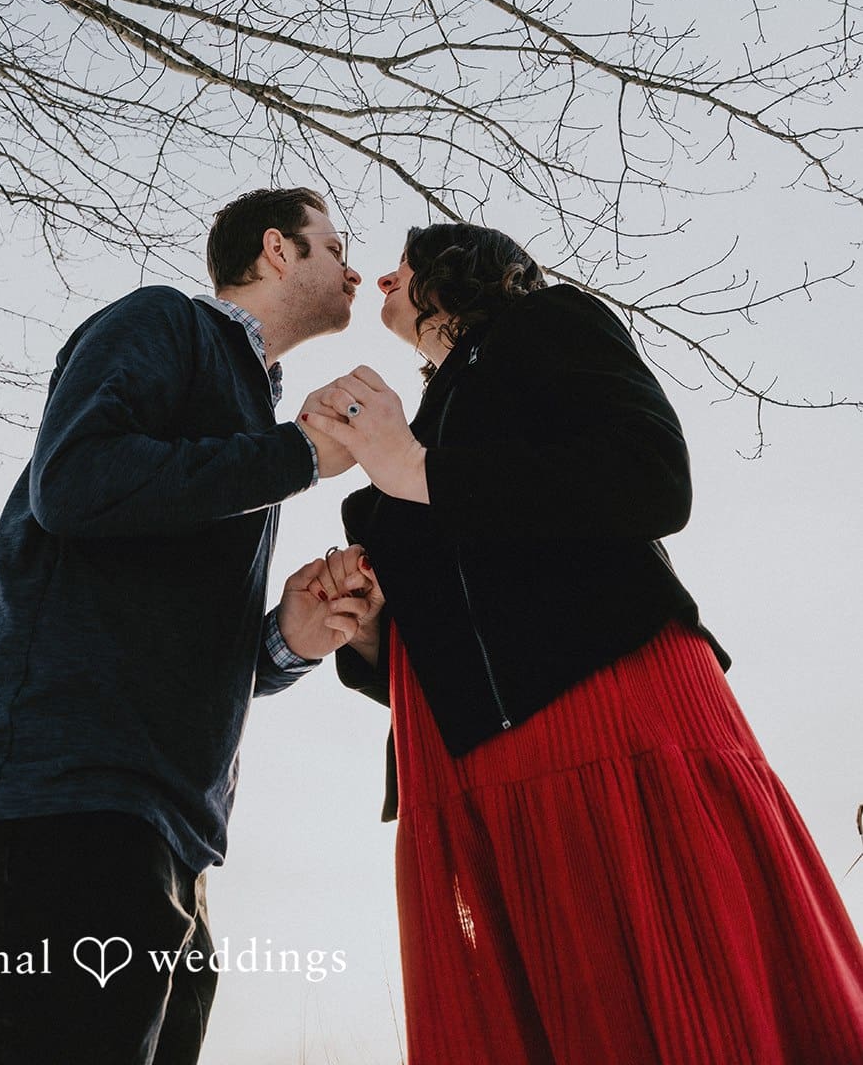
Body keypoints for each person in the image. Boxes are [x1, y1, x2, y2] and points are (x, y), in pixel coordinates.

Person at [302, 222, 863, 1065]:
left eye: (405, 263)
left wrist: (415, 471)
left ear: (460, 274)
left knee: (682, 978)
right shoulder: (417, 422)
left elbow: (649, 479)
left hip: (603, 710)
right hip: (460, 765)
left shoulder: (551, 325)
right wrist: (369, 623)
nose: (382, 276)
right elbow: (464, 637)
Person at [0, 187, 373, 1065]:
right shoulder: (165, 325)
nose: (355, 268)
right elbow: (73, 482)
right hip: (42, 824)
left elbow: (166, 630)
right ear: (276, 250)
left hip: (159, 851)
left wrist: (288, 640)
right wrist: (299, 456)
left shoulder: (244, 423)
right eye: (334, 245)